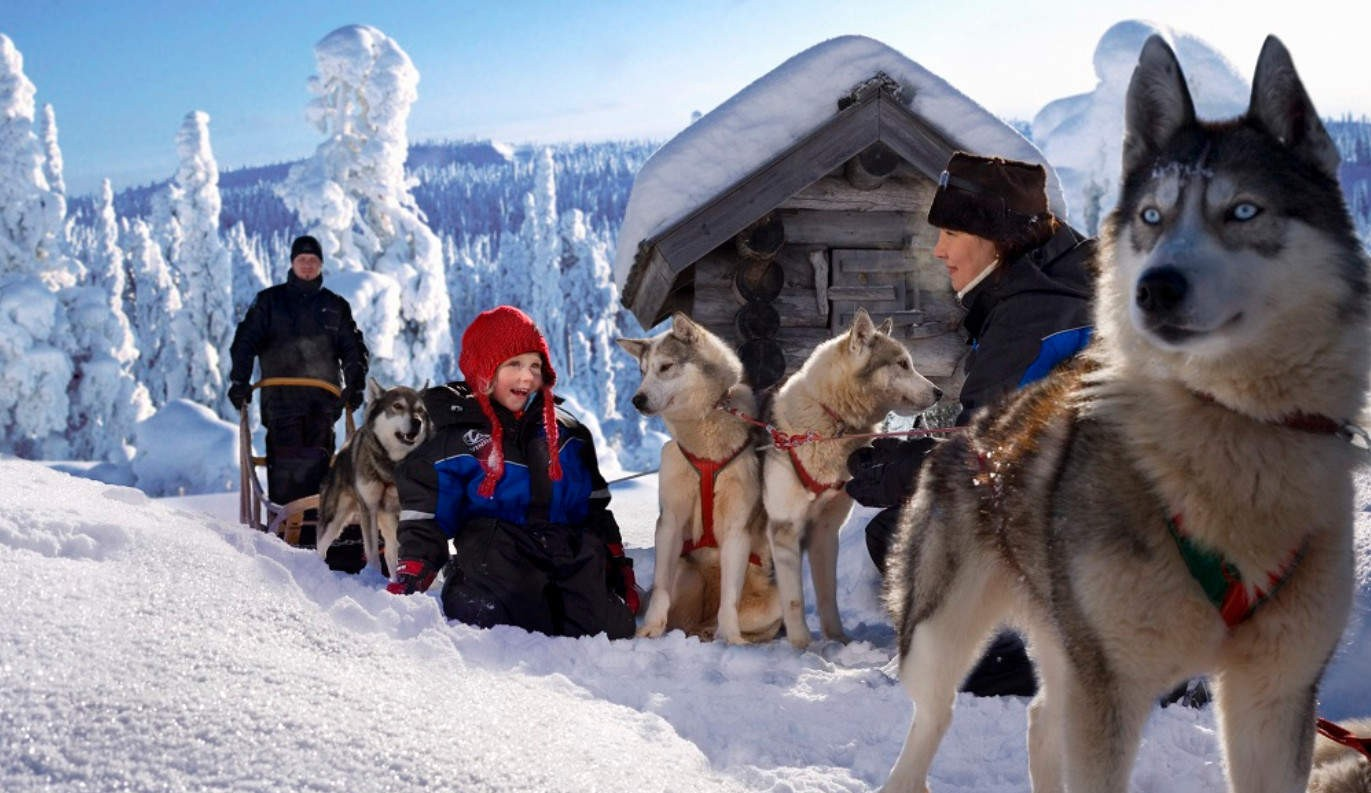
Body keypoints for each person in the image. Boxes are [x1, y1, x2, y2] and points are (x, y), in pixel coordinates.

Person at [847, 152, 1094, 696]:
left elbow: (988, 455)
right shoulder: (1057, 281)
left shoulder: (1036, 314)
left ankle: (1015, 662)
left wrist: (908, 469)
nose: (939, 250)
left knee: (905, 533)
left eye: (953, 231)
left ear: (998, 238)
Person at [386, 305, 637, 640]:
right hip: (496, 555)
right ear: (485, 370)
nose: (526, 376)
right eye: (514, 364)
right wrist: (415, 569)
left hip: (563, 552)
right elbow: (425, 512)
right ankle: (476, 596)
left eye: (535, 365)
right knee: (497, 616)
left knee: (610, 627)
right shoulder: (455, 435)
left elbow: (594, 509)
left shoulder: (568, 434)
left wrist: (618, 567)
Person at [228, 234, 369, 566]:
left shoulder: (334, 306)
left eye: (314, 260)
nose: (308, 265)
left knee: (322, 463)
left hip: (323, 402)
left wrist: (355, 383)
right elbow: (245, 341)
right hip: (281, 400)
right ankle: (286, 531)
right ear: (292, 263)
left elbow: (353, 348)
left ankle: (319, 531)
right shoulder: (269, 302)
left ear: (321, 265)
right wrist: (240, 380)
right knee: (287, 462)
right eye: (302, 259)